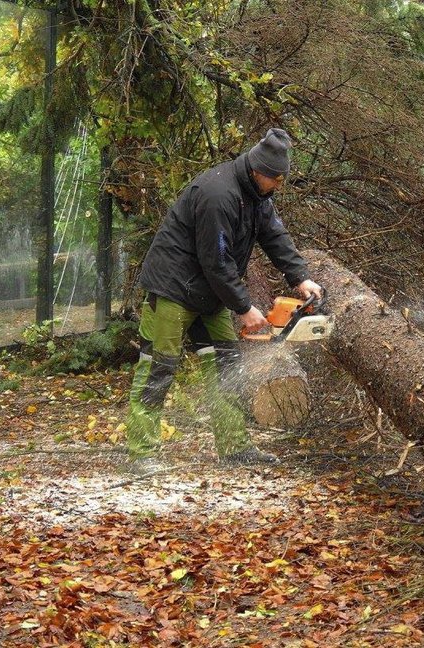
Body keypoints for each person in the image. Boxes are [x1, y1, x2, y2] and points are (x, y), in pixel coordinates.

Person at [124, 128, 322, 471]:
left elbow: (274, 235)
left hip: (209, 291)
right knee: (159, 367)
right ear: (261, 173)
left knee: (227, 366)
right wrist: (244, 308)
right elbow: (215, 260)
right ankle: (142, 453)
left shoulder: (256, 195)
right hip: (173, 288)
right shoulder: (219, 194)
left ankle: (233, 447)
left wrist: (299, 277)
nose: (278, 187)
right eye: (277, 181)